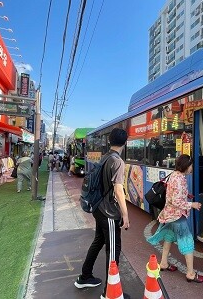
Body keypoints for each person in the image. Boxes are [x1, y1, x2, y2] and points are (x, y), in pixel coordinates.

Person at [74, 128, 130, 299]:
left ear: (109, 141)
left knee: (98, 241)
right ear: (125, 142)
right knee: (113, 251)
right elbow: (118, 189)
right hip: (109, 213)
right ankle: (110, 293)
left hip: (98, 208)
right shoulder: (118, 161)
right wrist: (125, 215)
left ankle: (85, 276)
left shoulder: (105, 157)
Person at [147, 154, 203, 283]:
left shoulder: (175, 175)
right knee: (187, 242)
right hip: (177, 215)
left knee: (169, 237)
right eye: (191, 166)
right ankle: (190, 273)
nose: (192, 168)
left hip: (170, 214)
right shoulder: (179, 179)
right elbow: (176, 201)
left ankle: (163, 263)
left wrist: (187, 195)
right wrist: (193, 204)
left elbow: (175, 194)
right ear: (186, 166)